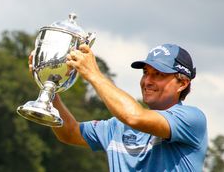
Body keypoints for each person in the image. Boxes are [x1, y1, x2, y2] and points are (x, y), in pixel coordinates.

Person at [30, 43, 208, 171]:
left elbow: (134, 117)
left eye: (158, 75)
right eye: (145, 73)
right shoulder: (117, 126)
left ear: (182, 83)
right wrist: (49, 86)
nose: (147, 81)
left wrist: (93, 73)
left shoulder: (192, 119)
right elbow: (69, 133)